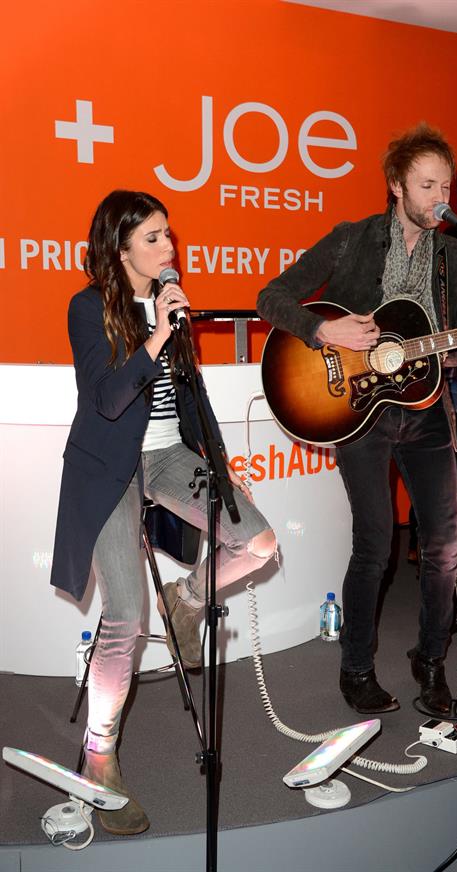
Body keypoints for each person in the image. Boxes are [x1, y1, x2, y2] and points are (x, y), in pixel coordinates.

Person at [257, 123, 457, 718]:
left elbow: (452, 348)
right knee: (376, 544)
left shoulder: (456, 254)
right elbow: (272, 296)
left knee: (443, 546)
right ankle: (356, 667)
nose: (441, 198)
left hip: (428, 411)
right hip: (358, 411)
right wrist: (321, 327)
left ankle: (430, 660)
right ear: (396, 186)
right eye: (427, 184)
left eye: (445, 186)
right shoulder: (353, 240)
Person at [50, 190, 277, 836]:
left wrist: (212, 462)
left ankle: (187, 594)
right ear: (119, 249)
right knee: (124, 615)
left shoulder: (172, 310)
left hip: (169, 458)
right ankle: (99, 755)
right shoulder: (88, 306)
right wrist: (156, 335)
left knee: (258, 543)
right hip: (108, 469)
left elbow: (181, 406)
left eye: (167, 236)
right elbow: (108, 397)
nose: (168, 248)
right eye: (153, 238)